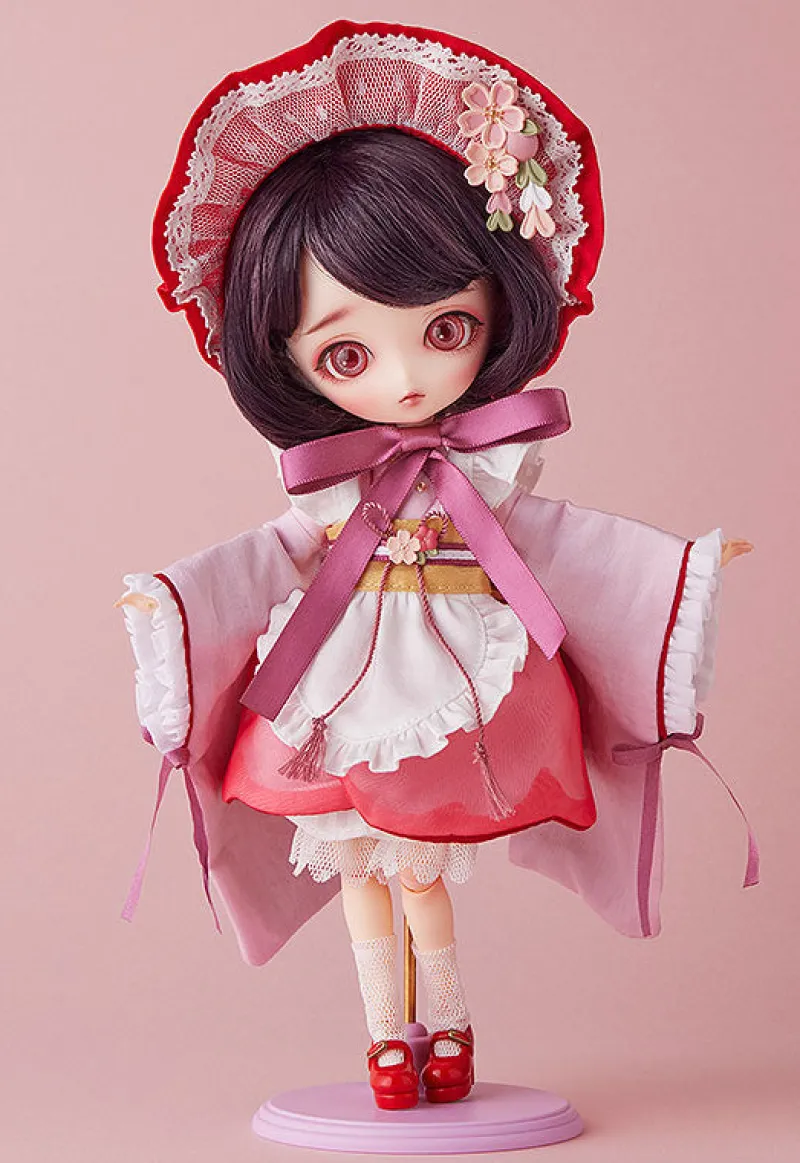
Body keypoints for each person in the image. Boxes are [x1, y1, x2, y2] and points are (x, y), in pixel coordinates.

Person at [117, 20, 754, 1112]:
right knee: (358, 866)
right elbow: (267, 561)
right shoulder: (328, 483)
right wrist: (167, 601)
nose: (406, 381)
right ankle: (385, 1035)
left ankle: (447, 1024)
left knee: (417, 869)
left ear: (499, 302)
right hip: (337, 680)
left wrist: (681, 568)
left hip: (453, 678)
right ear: (286, 358)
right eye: (347, 353)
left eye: (446, 328)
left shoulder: (486, 471)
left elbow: (568, 547)